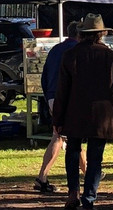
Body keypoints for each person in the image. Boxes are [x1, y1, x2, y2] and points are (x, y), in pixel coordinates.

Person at [53, 13, 113, 210]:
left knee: (73, 153)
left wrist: (57, 119)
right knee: (95, 158)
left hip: (74, 113)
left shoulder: (70, 56)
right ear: (102, 34)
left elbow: (62, 91)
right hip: (102, 116)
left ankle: (72, 193)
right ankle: (89, 200)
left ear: (81, 33)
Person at [33, 21, 86, 193]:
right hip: (68, 98)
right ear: (79, 34)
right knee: (61, 136)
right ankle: (42, 177)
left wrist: (49, 96)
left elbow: (45, 75)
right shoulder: (77, 50)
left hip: (53, 96)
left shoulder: (55, 49)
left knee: (68, 135)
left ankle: (88, 171)